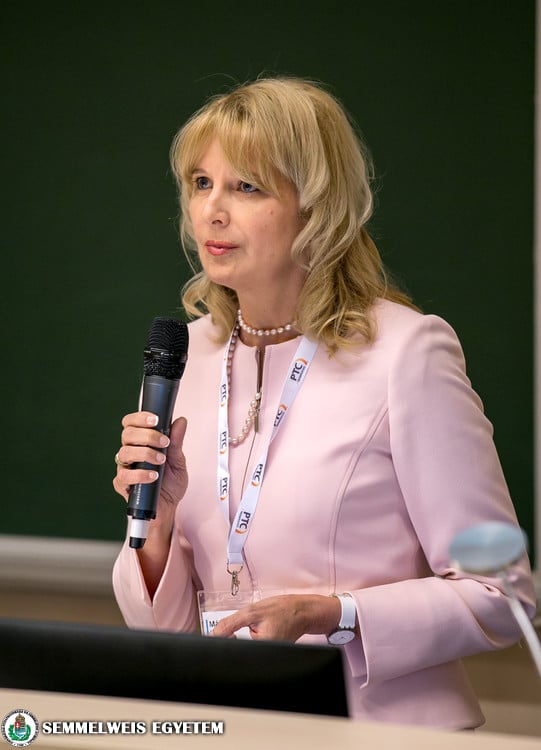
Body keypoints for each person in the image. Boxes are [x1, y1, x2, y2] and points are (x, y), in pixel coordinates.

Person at [112, 76, 536, 729]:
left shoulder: (406, 353)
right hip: (230, 727)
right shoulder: (184, 356)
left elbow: (503, 598)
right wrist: (158, 527)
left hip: (382, 733)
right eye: (201, 183)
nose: (211, 211)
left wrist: (334, 614)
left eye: (246, 187)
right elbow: (159, 631)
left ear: (315, 207)